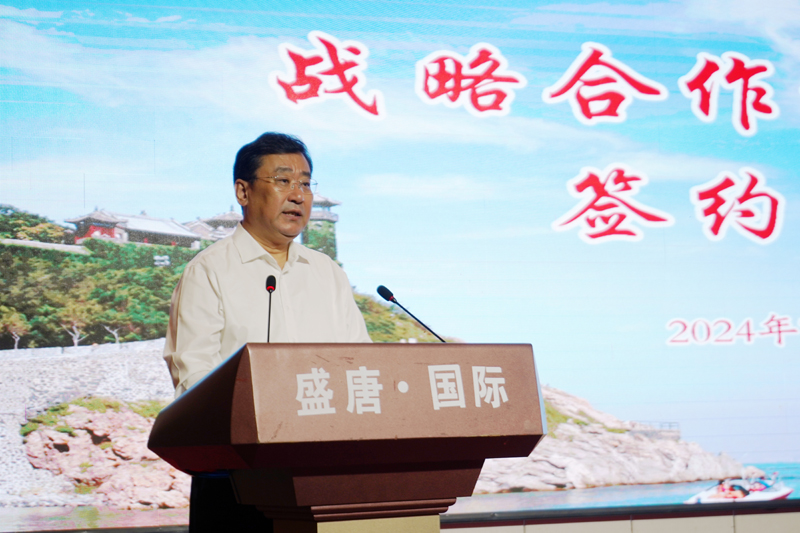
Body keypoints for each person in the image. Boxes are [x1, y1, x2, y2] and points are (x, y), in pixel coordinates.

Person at [163, 132, 372, 532]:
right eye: (283, 181)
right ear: (243, 191)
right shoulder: (209, 271)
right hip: (239, 482)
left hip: (325, 477)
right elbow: (195, 383)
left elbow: (361, 366)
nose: (298, 195)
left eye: (305, 183)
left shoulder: (327, 273)